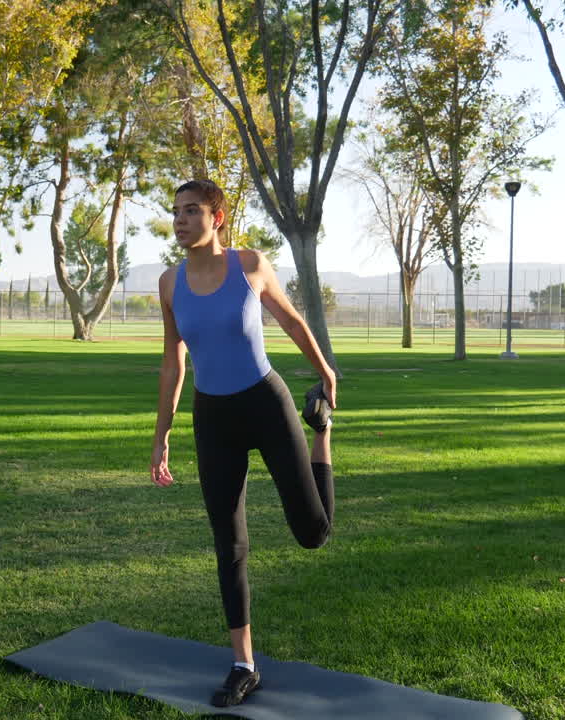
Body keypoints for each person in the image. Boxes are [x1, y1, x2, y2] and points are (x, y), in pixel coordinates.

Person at [150, 179, 337, 708]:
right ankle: (243, 664)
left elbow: (293, 320)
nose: (180, 220)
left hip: (266, 404)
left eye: (191, 211)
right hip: (214, 418)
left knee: (312, 533)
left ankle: (322, 434)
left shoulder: (251, 265)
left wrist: (325, 372)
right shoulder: (169, 284)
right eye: (176, 212)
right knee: (228, 544)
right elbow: (173, 364)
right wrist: (161, 436)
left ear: (218, 217)